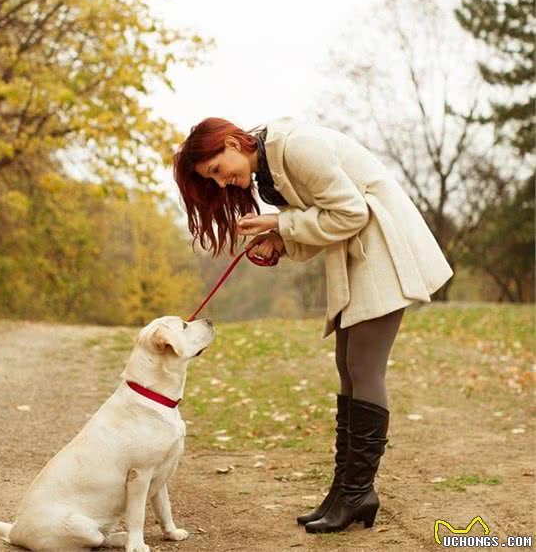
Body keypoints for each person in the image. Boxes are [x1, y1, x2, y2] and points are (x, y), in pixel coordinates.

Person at [172, 116, 453, 534]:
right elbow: (324, 219)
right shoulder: (270, 164)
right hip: (359, 255)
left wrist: (278, 224)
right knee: (348, 365)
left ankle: (358, 491)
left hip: (383, 251)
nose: (221, 183)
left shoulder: (296, 147)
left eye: (216, 171)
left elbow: (350, 213)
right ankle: (347, 491)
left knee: (364, 368)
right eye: (211, 180)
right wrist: (281, 242)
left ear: (232, 142)